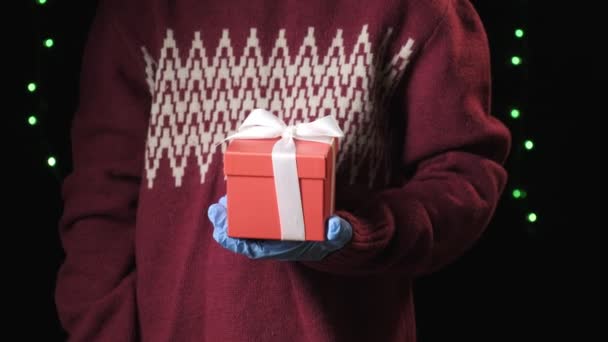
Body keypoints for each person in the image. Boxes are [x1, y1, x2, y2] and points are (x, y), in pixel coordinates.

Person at [55, 0, 511, 340]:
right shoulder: (138, 13)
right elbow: (101, 201)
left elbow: (464, 177)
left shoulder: (421, 9)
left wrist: (362, 233)